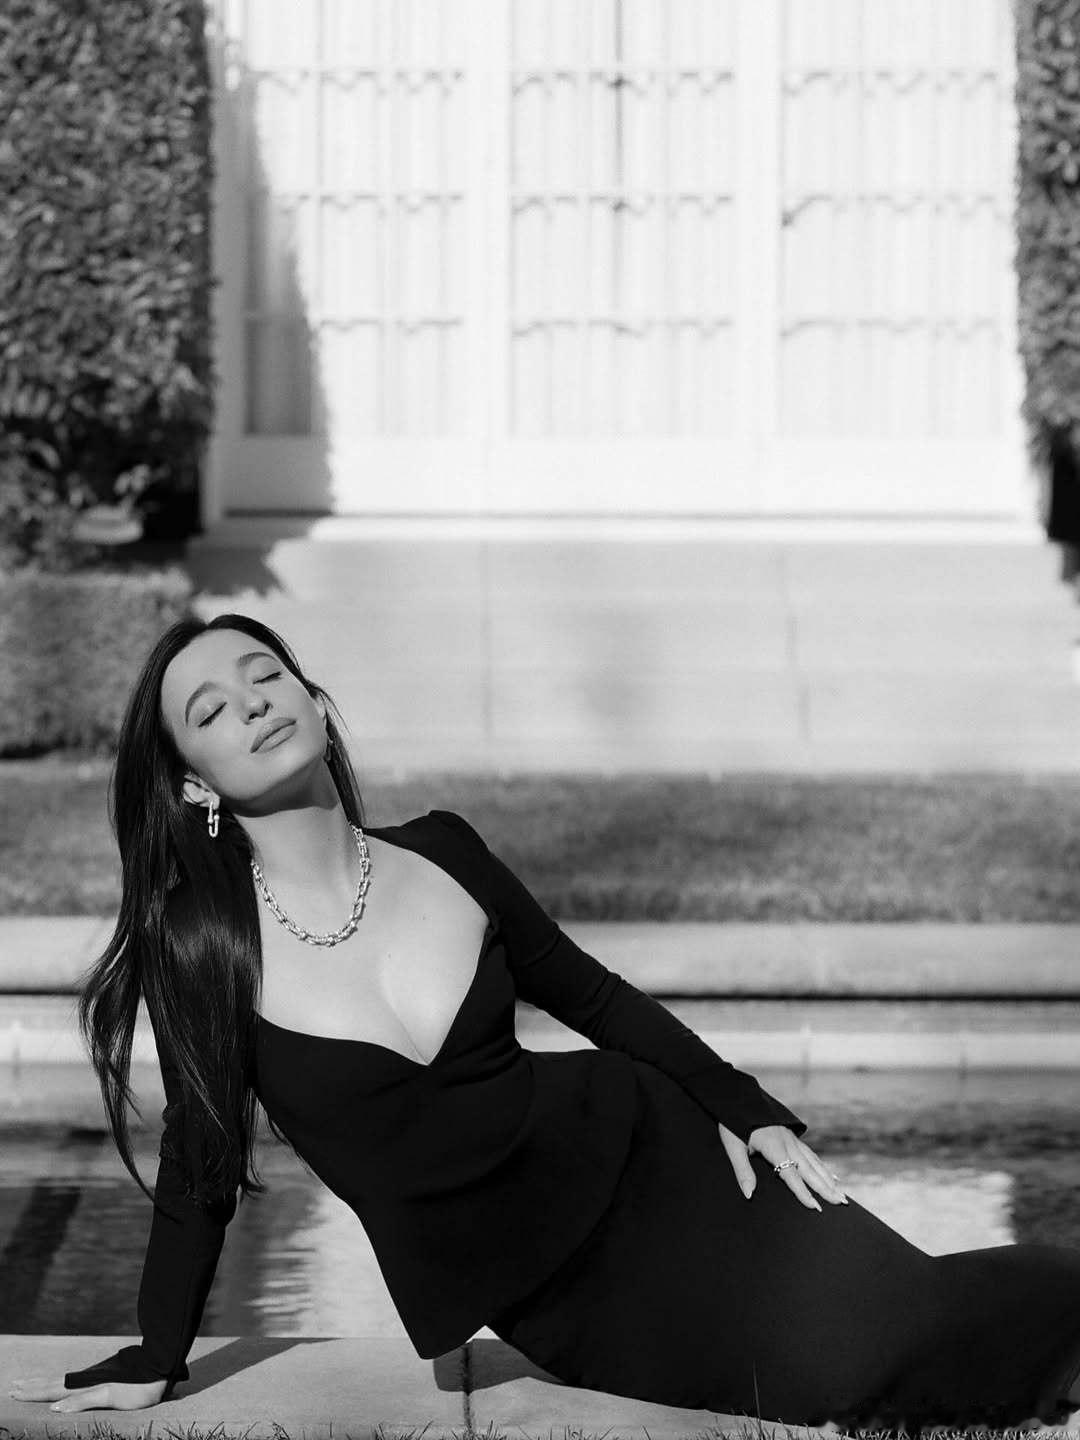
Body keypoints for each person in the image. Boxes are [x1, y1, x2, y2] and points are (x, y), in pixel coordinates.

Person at [10, 612, 1080, 1431]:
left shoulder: (445, 850)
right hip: (555, 1290)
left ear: (314, 700)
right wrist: (158, 1352)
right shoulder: (201, 944)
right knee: (839, 1379)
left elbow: (594, 997)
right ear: (193, 783)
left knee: (912, 1319)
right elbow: (200, 1159)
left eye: (266, 675)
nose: (252, 705)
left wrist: (749, 1111)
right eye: (210, 712)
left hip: (656, 1156)